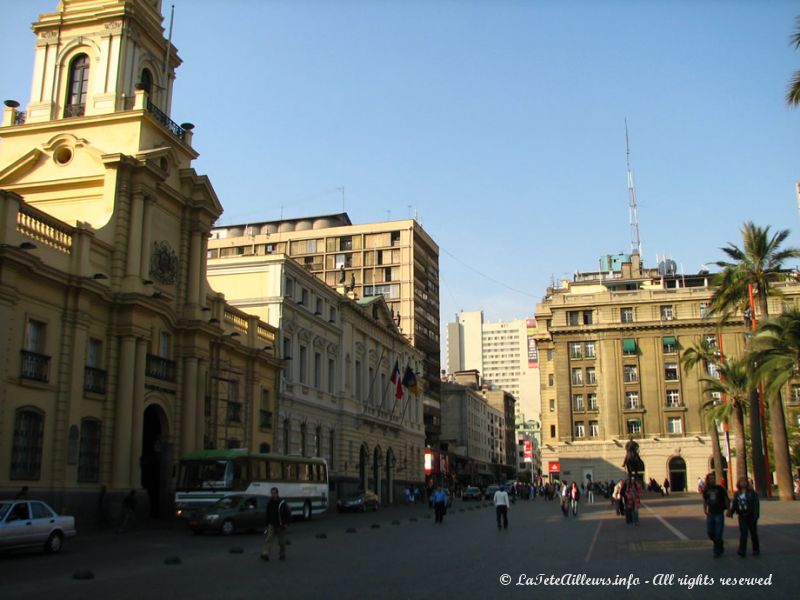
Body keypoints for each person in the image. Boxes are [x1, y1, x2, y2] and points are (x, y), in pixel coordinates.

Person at [727, 477, 760, 557]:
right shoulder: (737, 493)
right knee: (743, 533)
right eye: (741, 482)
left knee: (753, 533)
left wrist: (756, 515)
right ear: (739, 484)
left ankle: (756, 549)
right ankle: (742, 550)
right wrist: (731, 512)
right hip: (742, 516)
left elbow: (756, 505)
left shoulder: (753, 493)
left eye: (745, 482)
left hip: (751, 515)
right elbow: (735, 504)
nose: (743, 483)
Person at [702, 472, 730, 557]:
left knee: (718, 533)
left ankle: (717, 550)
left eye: (713, 478)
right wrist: (704, 509)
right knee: (710, 532)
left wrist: (729, 510)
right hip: (710, 513)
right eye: (711, 478)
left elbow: (726, 499)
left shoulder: (720, 488)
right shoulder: (706, 490)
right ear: (708, 480)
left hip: (719, 512)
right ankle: (719, 543)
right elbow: (705, 500)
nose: (712, 480)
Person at [261, 487, 291, 562]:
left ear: (277, 493)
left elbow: (287, 514)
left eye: (274, 493)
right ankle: (266, 553)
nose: (273, 495)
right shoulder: (269, 503)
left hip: (281, 525)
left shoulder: (282, 503)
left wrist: (287, 523)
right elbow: (268, 514)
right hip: (272, 524)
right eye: (272, 493)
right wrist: (267, 524)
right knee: (269, 539)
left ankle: (282, 553)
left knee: (281, 541)